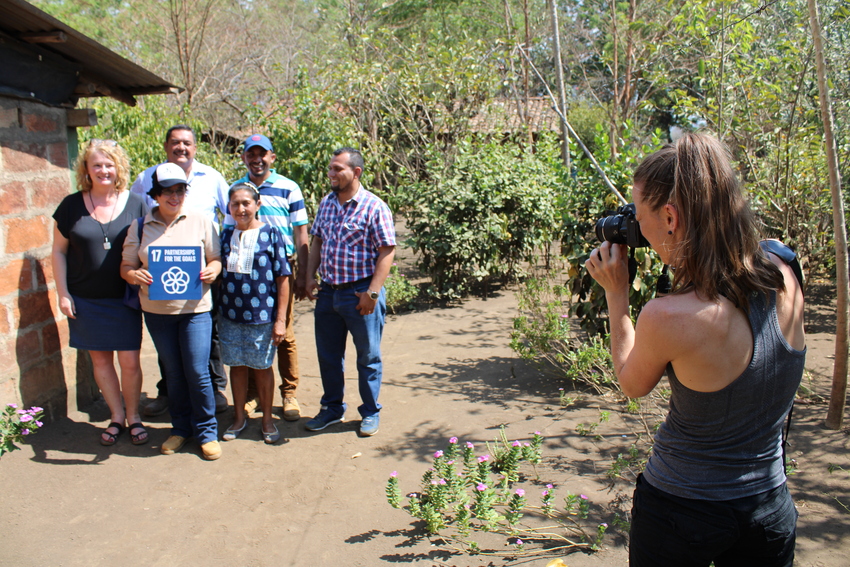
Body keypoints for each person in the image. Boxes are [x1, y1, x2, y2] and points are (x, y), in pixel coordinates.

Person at [585, 132, 805, 566]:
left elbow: (632, 384)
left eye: (638, 215)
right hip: (769, 507)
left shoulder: (671, 316)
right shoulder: (784, 271)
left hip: (681, 511)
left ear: (670, 217)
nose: (636, 229)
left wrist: (617, 296)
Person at [121, 163, 223, 460]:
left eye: (180, 190)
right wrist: (134, 275)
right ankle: (180, 429)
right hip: (157, 312)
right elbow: (126, 267)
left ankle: (206, 431)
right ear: (155, 194)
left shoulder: (201, 220)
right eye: (168, 191)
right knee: (174, 374)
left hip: (195, 310)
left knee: (197, 371)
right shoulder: (140, 226)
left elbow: (216, 257)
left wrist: (211, 271)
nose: (174, 196)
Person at [52, 139, 149, 446]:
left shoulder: (136, 203)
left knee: (130, 361)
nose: (103, 170)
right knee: (101, 362)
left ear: (118, 167)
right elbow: (58, 251)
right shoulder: (70, 205)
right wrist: (63, 293)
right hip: (86, 299)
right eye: (97, 165)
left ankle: (134, 417)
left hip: (125, 298)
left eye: (109, 165)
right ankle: (116, 417)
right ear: (86, 169)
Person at [130, 125, 230, 416]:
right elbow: (136, 215)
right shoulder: (146, 178)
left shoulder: (212, 178)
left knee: (206, 335)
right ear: (166, 146)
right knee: (168, 342)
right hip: (160, 277)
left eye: (187, 143)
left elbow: (231, 214)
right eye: (175, 143)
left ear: (195, 148)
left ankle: (214, 390)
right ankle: (168, 392)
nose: (181, 148)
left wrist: (220, 261)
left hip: (200, 275)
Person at [304, 147, 396, 437]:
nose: (331, 174)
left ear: (356, 172)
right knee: (329, 357)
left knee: (368, 357)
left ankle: (369, 412)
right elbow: (317, 240)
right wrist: (309, 276)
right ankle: (332, 409)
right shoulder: (327, 203)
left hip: (359, 295)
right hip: (329, 294)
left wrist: (372, 293)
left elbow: (386, 251)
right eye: (330, 168)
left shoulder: (374, 207)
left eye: (337, 169)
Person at [223, 134, 309, 421]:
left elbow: (300, 232)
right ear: (245, 157)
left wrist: (304, 273)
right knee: (246, 333)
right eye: (251, 154)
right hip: (244, 272)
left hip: (281, 269)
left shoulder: (289, 188)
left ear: (272, 157)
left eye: (263, 154)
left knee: (282, 332)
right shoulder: (237, 190)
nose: (257, 159)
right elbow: (227, 232)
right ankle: (252, 395)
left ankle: (289, 393)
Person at [219, 182, 291, 444]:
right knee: (236, 367)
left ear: (257, 205)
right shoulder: (225, 235)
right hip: (229, 316)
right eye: (235, 203)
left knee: (262, 368)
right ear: (229, 207)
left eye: (246, 203)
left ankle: (268, 420)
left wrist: (280, 320)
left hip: (262, 316)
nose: (241, 208)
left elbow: (284, 278)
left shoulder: (272, 234)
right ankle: (238, 418)